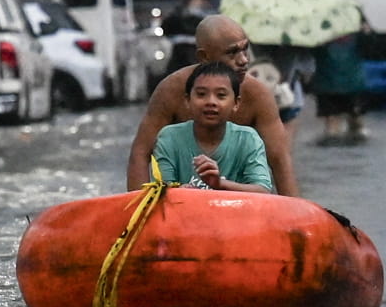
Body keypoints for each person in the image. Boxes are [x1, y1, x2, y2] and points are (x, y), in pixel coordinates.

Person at [127, 14, 298, 195]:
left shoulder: (258, 95)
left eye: (245, 49)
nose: (244, 60)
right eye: (232, 53)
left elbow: (280, 161)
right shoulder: (171, 90)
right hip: (183, 202)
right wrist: (139, 214)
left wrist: (296, 219)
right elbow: (140, 153)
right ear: (204, 57)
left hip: (241, 202)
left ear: (236, 102)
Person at [149, 62, 272, 192]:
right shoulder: (170, 137)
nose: (211, 102)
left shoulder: (247, 139)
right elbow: (160, 192)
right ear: (187, 100)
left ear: (236, 103)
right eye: (201, 94)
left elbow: (263, 190)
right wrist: (180, 192)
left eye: (221, 95)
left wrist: (219, 184)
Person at [312, 31, 368, 145]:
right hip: (346, 83)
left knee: (336, 122)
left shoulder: (319, 33)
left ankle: (334, 138)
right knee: (352, 119)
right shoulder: (356, 33)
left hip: (330, 84)